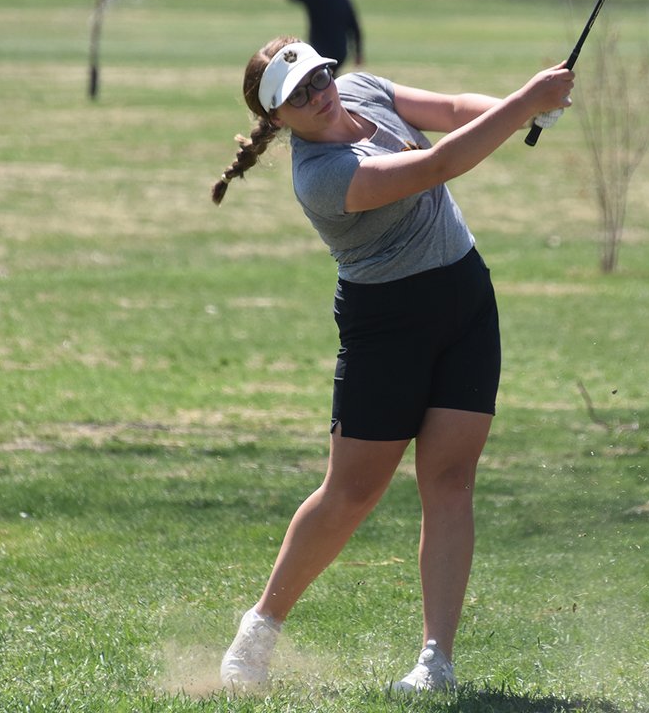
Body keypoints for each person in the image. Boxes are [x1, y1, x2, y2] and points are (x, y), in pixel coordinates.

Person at [214, 36, 573, 694]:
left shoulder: (364, 90)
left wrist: (518, 111)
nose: (319, 93)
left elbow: (454, 108)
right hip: (388, 329)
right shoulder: (320, 175)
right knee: (352, 494)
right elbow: (435, 166)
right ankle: (260, 630)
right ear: (277, 119)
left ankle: (437, 661)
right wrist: (527, 99)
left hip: (465, 302)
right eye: (299, 95)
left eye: (320, 75)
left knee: (451, 478)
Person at [286, 0, 363, 70]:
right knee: (329, 78)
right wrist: (358, 53)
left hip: (318, 49)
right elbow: (354, 26)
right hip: (340, 50)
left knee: (319, 80)